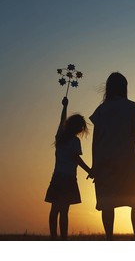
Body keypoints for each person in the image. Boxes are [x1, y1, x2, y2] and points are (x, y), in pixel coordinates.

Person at [90, 72, 135, 241]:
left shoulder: (102, 109)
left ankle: (109, 238)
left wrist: (94, 165)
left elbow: (95, 141)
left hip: (106, 163)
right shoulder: (131, 107)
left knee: (108, 203)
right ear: (125, 87)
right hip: (128, 162)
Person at [45, 97, 93, 240]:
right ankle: (63, 239)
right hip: (69, 179)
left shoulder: (60, 136)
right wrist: (89, 170)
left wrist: (65, 107)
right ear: (78, 128)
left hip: (57, 177)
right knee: (64, 211)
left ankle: (53, 237)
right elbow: (76, 159)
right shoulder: (75, 141)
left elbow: (61, 121)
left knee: (54, 209)